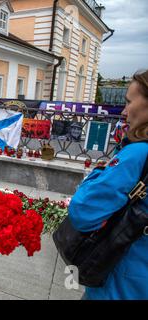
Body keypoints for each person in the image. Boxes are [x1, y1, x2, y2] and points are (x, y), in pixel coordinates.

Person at [68, 69, 148, 299]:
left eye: (129, 102)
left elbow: (83, 211)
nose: (124, 111)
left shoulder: (138, 153)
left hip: (124, 283)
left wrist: (99, 173)